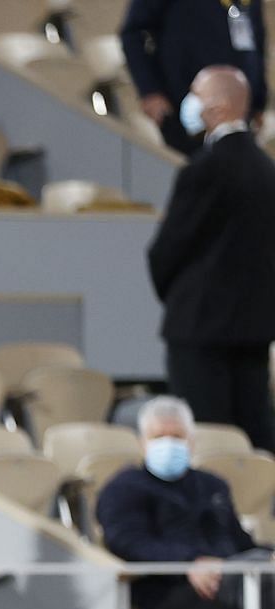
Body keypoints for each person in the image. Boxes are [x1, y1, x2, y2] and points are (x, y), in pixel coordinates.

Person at [146, 65, 275, 454]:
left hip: (199, 330)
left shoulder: (204, 169)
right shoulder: (268, 171)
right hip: (255, 329)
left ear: (217, 107)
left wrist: (181, 297)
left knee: (208, 441)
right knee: (254, 439)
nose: (190, 103)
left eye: (196, 94)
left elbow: (167, 249)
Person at [97, 395, 271, 609]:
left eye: (177, 437)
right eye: (158, 437)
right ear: (142, 443)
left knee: (265, 569)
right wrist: (190, 562)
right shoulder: (123, 488)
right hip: (170, 596)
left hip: (233, 581)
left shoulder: (212, 485)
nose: (168, 444)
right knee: (266, 581)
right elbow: (127, 543)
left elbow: (240, 543)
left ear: (191, 442)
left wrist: (267, 556)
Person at [121, 0, 266, 156]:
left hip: (240, 117)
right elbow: (133, 33)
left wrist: (259, 102)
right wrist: (149, 90)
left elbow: (258, 42)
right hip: (185, 111)